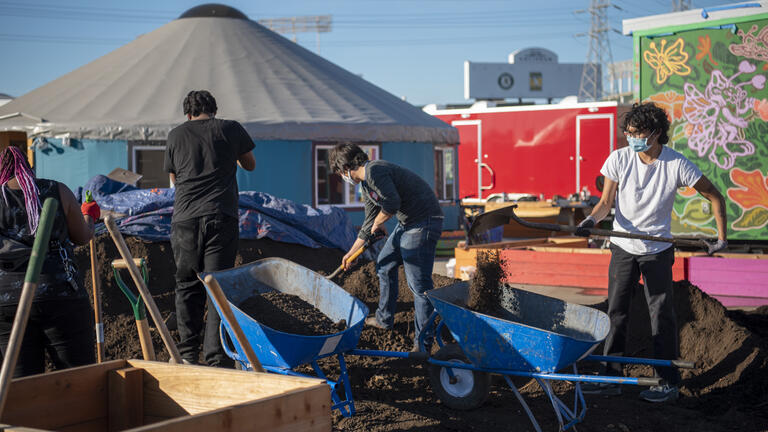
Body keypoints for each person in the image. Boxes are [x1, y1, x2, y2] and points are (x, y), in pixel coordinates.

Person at [577, 102, 727, 402]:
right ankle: (611, 376)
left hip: (657, 249)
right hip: (622, 245)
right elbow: (606, 202)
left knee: (662, 313)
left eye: (637, 132)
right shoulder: (619, 159)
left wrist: (722, 238)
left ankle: (667, 380)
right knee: (616, 311)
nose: (631, 137)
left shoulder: (676, 164)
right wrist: (590, 220)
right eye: (628, 132)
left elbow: (714, 195)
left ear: (656, 133)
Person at [164, 90, 255, 366]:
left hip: (184, 221)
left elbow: (173, 178)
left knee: (187, 286)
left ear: (188, 114)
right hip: (220, 217)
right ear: (214, 109)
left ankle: (187, 354)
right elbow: (250, 165)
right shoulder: (231, 129)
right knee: (217, 286)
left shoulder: (176, 135)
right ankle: (217, 357)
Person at [329, 143, 443, 352]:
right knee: (384, 264)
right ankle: (384, 319)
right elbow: (368, 223)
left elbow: (392, 203)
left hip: (424, 222)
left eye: (340, 173)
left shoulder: (374, 171)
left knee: (419, 285)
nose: (342, 178)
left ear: (345, 168)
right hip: (407, 223)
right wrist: (351, 253)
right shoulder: (366, 185)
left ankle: (423, 344)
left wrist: (379, 221)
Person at [0, 146, 98, 377]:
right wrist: (89, 216)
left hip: (6, 303)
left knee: (20, 385)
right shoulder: (57, 191)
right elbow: (82, 236)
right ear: (29, 167)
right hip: (59, 294)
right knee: (77, 378)